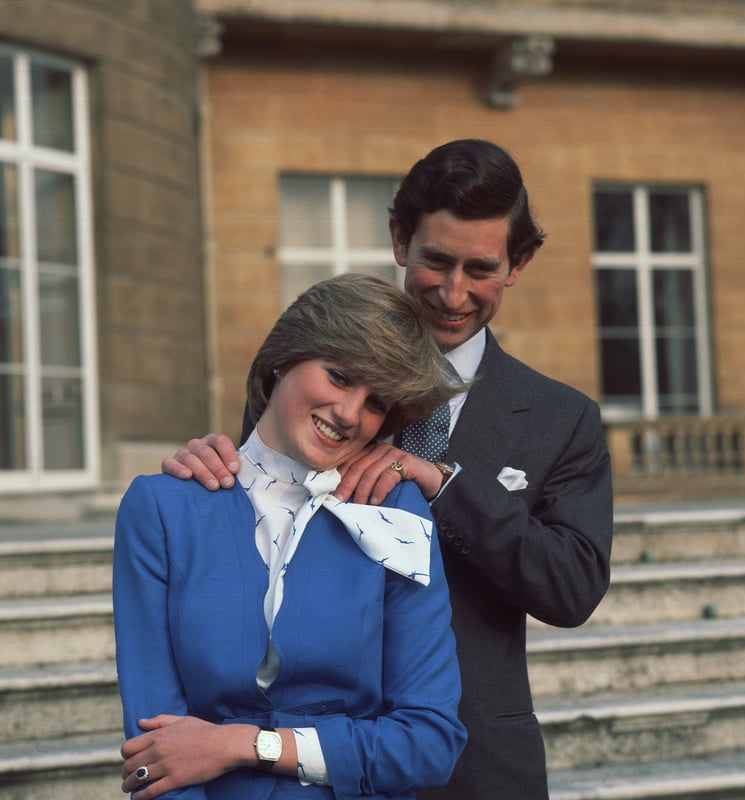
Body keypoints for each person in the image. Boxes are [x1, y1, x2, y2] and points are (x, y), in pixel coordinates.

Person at [163, 139, 614, 800]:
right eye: (436, 260)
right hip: (314, 764)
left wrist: (442, 483)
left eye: (480, 268)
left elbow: (572, 588)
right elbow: (253, 532)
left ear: (518, 264)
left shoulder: (561, 418)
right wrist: (209, 474)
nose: (453, 293)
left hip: (479, 767)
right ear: (401, 239)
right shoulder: (315, 378)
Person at [113, 274, 467, 800]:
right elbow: (154, 751)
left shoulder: (396, 511)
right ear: (283, 358)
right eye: (340, 376)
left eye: (376, 403)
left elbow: (429, 743)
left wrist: (246, 745)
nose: (350, 415)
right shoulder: (162, 509)